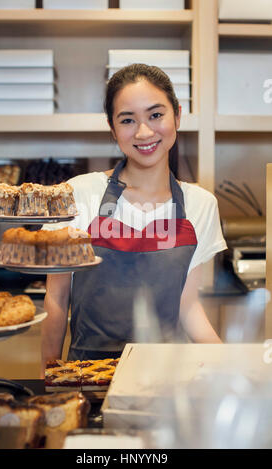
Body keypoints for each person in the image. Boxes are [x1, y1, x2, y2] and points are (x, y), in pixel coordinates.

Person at [41, 63, 227, 373]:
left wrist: (232, 365)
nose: (144, 132)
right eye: (128, 120)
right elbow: (57, 300)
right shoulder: (79, 194)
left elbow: (188, 305)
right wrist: (47, 380)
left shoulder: (200, 204)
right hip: (86, 376)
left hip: (166, 379)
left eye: (156, 115)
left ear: (177, 116)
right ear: (113, 128)